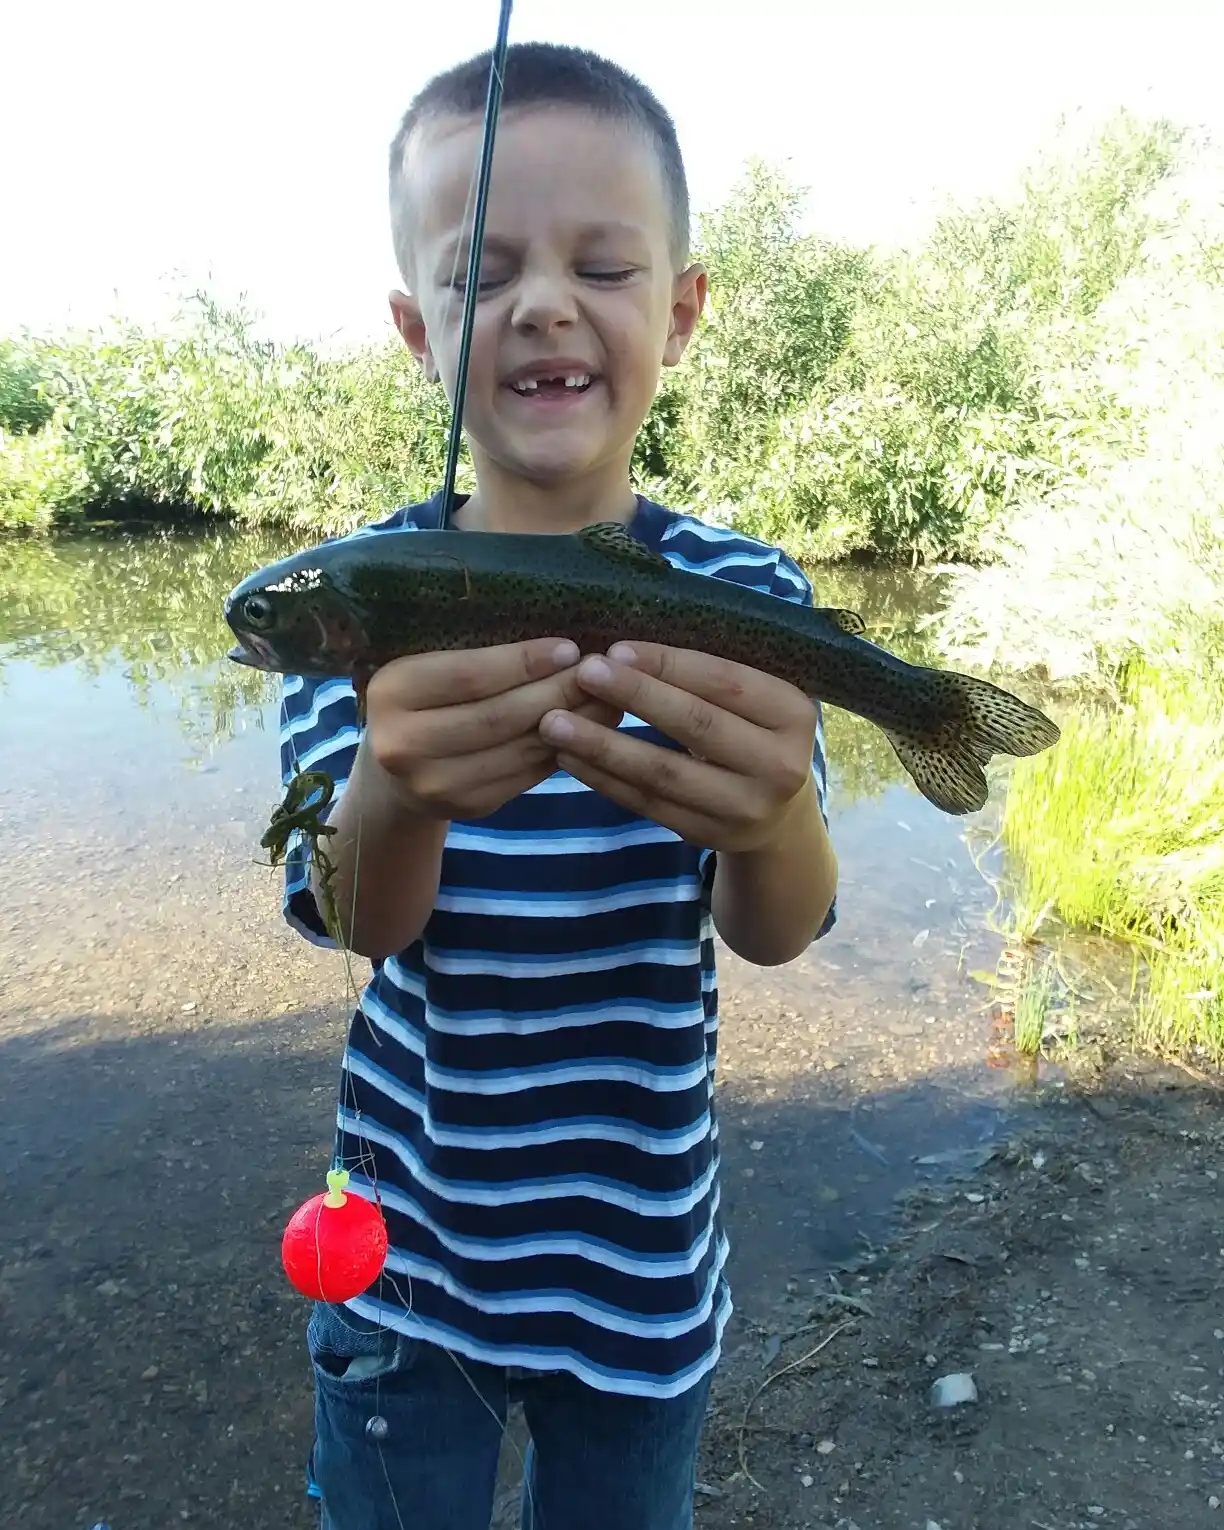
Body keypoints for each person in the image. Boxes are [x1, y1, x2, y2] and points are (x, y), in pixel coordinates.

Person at [279, 39, 839, 1530]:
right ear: (417, 326)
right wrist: (396, 788)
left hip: (641, 1272)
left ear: (682, 308)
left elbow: (776, 929)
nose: (542, 301)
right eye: (483, 271)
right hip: (405, 1262)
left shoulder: (748, 592)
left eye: (602, 263)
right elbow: (360, 923)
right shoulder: (359, 601)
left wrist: (774, 815)